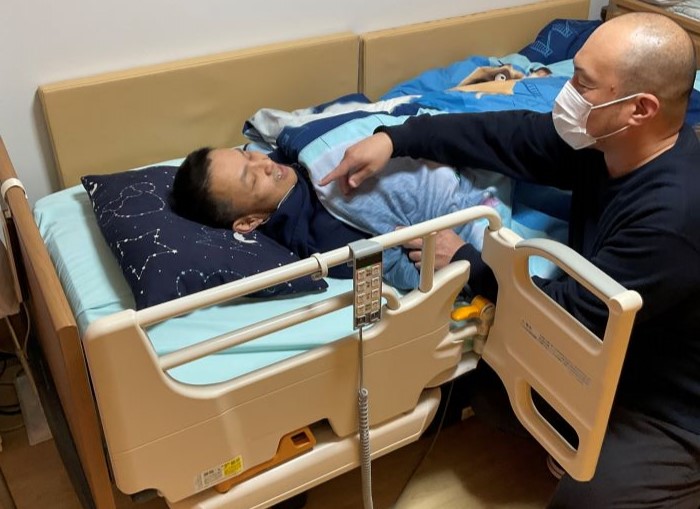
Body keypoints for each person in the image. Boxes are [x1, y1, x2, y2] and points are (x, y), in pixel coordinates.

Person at [320, 12, 700, 509]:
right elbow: (508, 135)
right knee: (491, 393)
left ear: (639, 109)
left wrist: (467, 261)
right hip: (617, 355)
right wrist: (396, 138)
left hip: (671, 403)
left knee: (585, 502)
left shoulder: (672, 218)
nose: (566, 93)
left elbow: (574, 314)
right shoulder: (608, 146)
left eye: (582, 83)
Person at [171, 146, 367, 279]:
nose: (265, 162)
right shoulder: (325, 235)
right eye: (252, 179)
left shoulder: (286, 153)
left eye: (247, 155)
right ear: (248, 222)